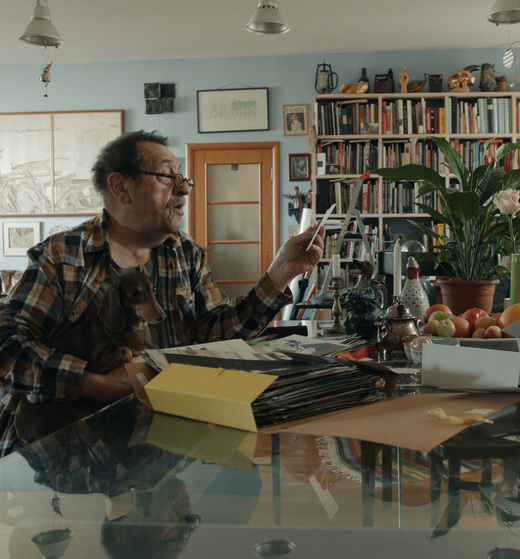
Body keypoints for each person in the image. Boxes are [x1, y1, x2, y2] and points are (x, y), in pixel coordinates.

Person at [0, 130, 325, 455]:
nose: (184, 188)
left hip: (167, 441)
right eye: (167, 176)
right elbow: (7, 344)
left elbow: (216, 331)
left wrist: (280, 273)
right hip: (67, 453)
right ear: (121, 187)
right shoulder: (63, 256)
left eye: (182, 178)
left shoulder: (185, 252)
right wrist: (97, 385)